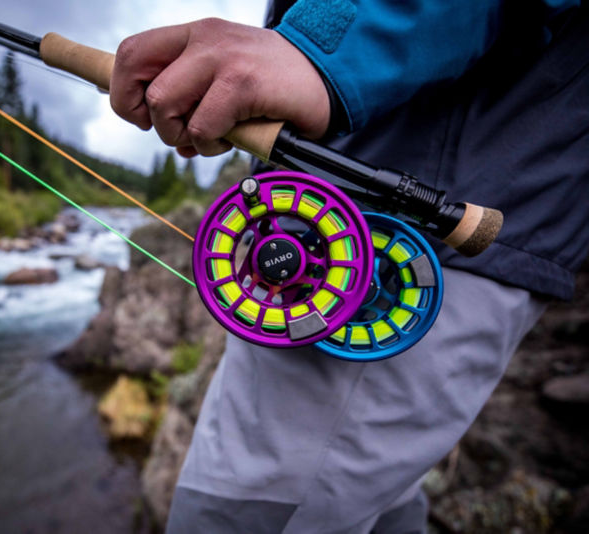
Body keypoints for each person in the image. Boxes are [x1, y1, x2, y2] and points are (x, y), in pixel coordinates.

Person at [109, 1, 589, 532]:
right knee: (376, 506)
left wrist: (323, 50)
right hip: (448, 222)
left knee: (234, 513)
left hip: (414, 236)